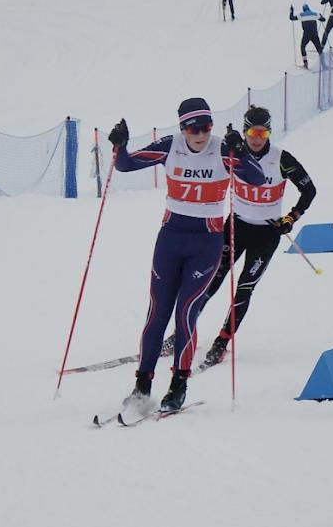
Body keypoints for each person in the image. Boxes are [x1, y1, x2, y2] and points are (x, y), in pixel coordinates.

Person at [108, 98, 266, 412]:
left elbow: (258, 179)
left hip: (206, 243)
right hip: (170, 239)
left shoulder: (222, 149)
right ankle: (142, 385)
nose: (201, 134)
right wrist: (120, 146)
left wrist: (242, 152)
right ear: (182, 128)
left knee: (186, 313)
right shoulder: (170, 146)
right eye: (194, 128)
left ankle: (178, 384)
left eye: (207, 127)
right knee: (157, 314)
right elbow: (125, 165)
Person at [196, 106, 317, 370]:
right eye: (252, 131)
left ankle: (221, 342)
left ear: (269, 132)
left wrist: (292, 217)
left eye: (262, 132)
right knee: (212, 279)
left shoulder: (281, 159)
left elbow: (309, 190)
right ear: (245, 131)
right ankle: (184, 332)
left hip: (266, 234)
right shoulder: (234, 154)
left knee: (244, 287)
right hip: (236, 228)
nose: (257, 138)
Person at [290, 4, 326, 69]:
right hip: (315, 34)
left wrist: (291, 11)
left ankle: (305, 63)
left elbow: (291, 18)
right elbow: (323, 19)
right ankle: (324, 64)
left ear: (303, 9)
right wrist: (321, 16)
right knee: (319, 49)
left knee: (302, 47)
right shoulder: (314, 14)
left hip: (306, 34)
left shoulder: (301, 15)